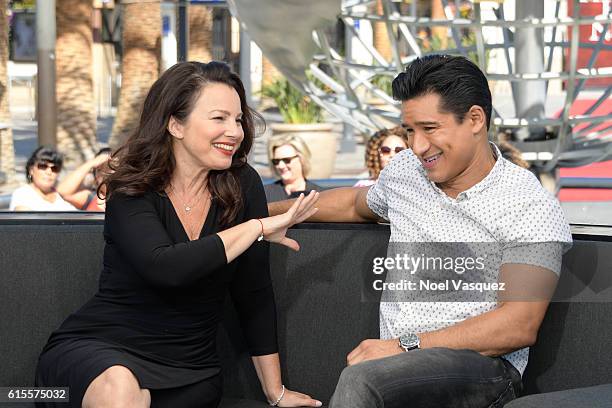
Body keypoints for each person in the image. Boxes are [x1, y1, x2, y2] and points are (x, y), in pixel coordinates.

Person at [269, 55, 572, 407]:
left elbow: (517, 325)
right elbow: (354, 204)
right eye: (410, 130)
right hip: (398, 366)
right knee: (368, 377)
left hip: (482, 369)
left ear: (475, 119)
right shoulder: (406, 172)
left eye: (430, 128)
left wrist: (402, 346)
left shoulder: (527, 203)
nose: (417, 145)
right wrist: (262, 216)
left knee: (364, 381)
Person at [35, 61, 322, 408]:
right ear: (175, 123)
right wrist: (256, 227)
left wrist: (276, 393)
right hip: (101, 353)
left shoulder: (243, 185)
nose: (235, 131)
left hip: (190, 371)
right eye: (219, 118)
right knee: (121, 391)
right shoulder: (132, 187)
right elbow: (166, 267)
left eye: (237, 119)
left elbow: (254, 295)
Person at [9, 146, 77, 211]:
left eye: (54, 168)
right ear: (31, 170)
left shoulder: (61, 196)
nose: (49, 172)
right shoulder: (22, 194)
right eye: (43, 166)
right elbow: (24, 219)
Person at [264, 134, 322, 202]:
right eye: (276, 161)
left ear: (301, 159)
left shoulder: (319, 194)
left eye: (287, 160)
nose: (281, 166)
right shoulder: (265, 194)